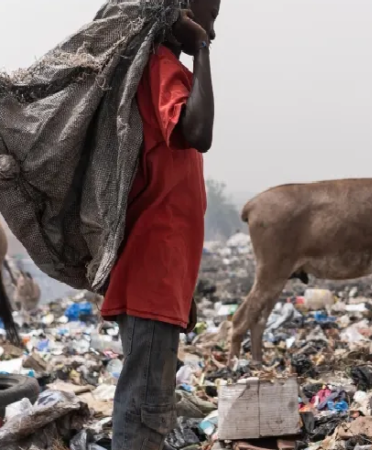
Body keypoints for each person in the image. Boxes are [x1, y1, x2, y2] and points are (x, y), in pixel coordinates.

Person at [100, 0, 219, 448]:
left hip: (160, 280)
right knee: (145, 413)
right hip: (152, 275)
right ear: (185, 12)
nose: (215, 31)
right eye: (212, 17)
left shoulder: (162, 70)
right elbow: (199, 132)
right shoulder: (160, 67)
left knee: (148, 403)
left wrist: (182, 292)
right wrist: (202, 48)